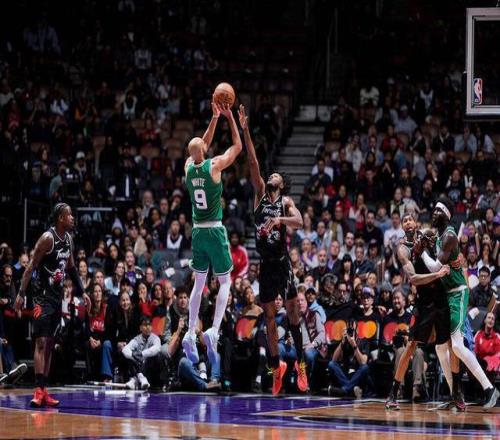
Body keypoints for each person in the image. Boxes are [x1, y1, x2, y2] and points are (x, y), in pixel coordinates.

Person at [239, 105, 307, 395]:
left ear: (282, 184)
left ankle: (300, 364)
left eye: (276, 175)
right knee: (268, 318)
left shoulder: (285, 202)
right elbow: (253, 160)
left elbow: (300, 222)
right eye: (272, 174)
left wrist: (280, 220)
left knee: (293, 316)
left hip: (282, 262)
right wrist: (245, 129)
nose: (272, 175)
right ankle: (276, 367)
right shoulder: (259, 195)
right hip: (265, 264)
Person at [421, 197, 500, 410]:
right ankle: (455, 395)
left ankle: (490, 389)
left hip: (458, 294)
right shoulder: (440, 236)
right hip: (446, 295)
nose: (434, 213)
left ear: (447, 214)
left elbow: (435, 267)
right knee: (440, 347)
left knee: (457, 345)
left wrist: (421, 252)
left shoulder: (449, 236)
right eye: (433, 209)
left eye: (438, 210)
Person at [182, 101, 242, 368]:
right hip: (215, 229)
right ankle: (214, 330)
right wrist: (229, 118)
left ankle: (189, 331)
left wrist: (214, 118)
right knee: (225, 282)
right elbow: (237, 147)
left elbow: (200, 145)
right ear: (205, 152)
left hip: (197, 232)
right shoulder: (215, 166)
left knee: (198, 284)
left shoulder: (188, 167)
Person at [14, 203, 91, 407]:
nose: (72, 218)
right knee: (40, 341)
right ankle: (38, 390)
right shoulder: (48, 238)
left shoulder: (68, 239)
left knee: (49, 344)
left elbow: (71, 268)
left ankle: (44, 389)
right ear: (60, 218)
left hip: (57, 299)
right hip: (41, 298)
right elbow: (31, 266)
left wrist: (83, 291)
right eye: (69, 215)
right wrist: (21, 294)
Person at [385, 214, 452, 410]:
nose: (407, 222)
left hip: (440, 298)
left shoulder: (427, 236)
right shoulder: (403, 249)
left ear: (415, 223)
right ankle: (393, 393)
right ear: (402, 226)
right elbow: (413, 279)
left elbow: (442, 250)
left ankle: (456, 393)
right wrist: (437, 275)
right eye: (404, 220)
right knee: (410, 346)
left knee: (451, 344)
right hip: (423, 302)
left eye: (410, 219)